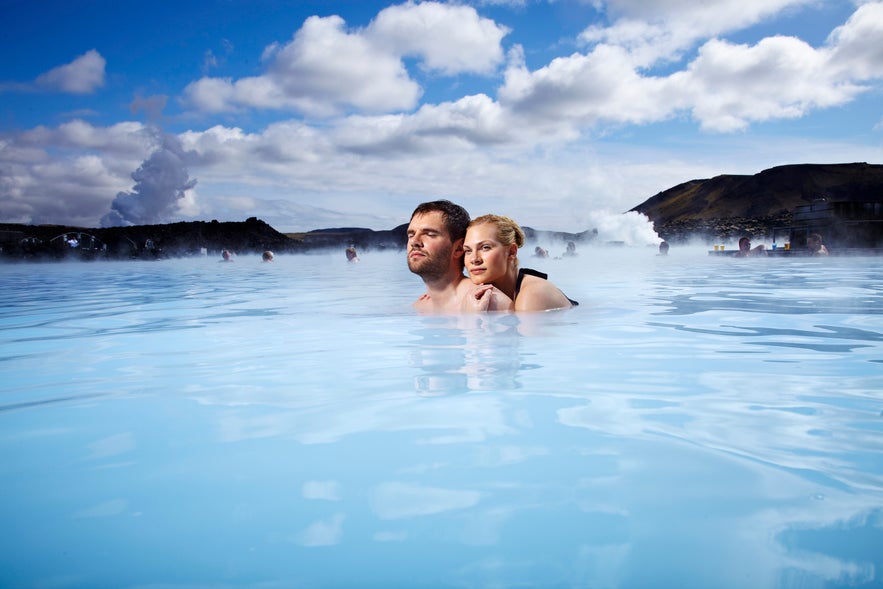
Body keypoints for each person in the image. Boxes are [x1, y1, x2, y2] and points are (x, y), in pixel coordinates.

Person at [461, 214, 578, 312]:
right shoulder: (479, 293)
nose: (474, 259)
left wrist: (476, 319)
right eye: (468, 251)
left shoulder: (532, 295)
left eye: (485, 247)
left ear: (512, 252)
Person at [407, 200, 478, 313]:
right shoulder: (419, 307)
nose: (414, 241)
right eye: (411, 235)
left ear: (459, 248)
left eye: (430, 234)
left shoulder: (485, 300)